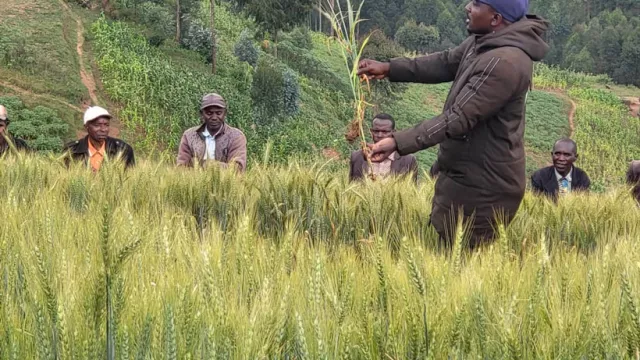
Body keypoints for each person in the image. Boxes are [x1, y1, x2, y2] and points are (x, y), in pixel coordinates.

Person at [358, 0, 549, 249]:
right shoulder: (484, 42)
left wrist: (397, 142)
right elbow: (445, 62)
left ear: (495, 19)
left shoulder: (504, 63)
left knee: (465, 267)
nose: (467, 7)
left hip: (483, 189)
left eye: (477, 4)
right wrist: (389, 68)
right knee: (448, 255)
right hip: (464, 176)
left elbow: (458, 118)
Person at [177, 93, 247, 171]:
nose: (214, 117)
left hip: (227, 183)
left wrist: (209, 165)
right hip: (194, 182)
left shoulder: (236, 136)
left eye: (218, 113)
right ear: (201, 114)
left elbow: (237, 169)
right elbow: (181, 168)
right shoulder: (189, 136)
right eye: (209, 113)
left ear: (225, 113)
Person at [349, 114, 418, 182]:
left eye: (385, 132)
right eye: (376, 131)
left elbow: (411, 188)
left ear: (394, 133)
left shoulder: (408, 160)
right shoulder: (357, 157)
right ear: (371, 131)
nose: (380, 135)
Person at [63, 106, 135, 171]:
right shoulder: (71, 151)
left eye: (106, 125)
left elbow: (131, 179)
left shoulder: (123, 149)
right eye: (97, 125)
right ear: (86, 127)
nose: (103, 129)